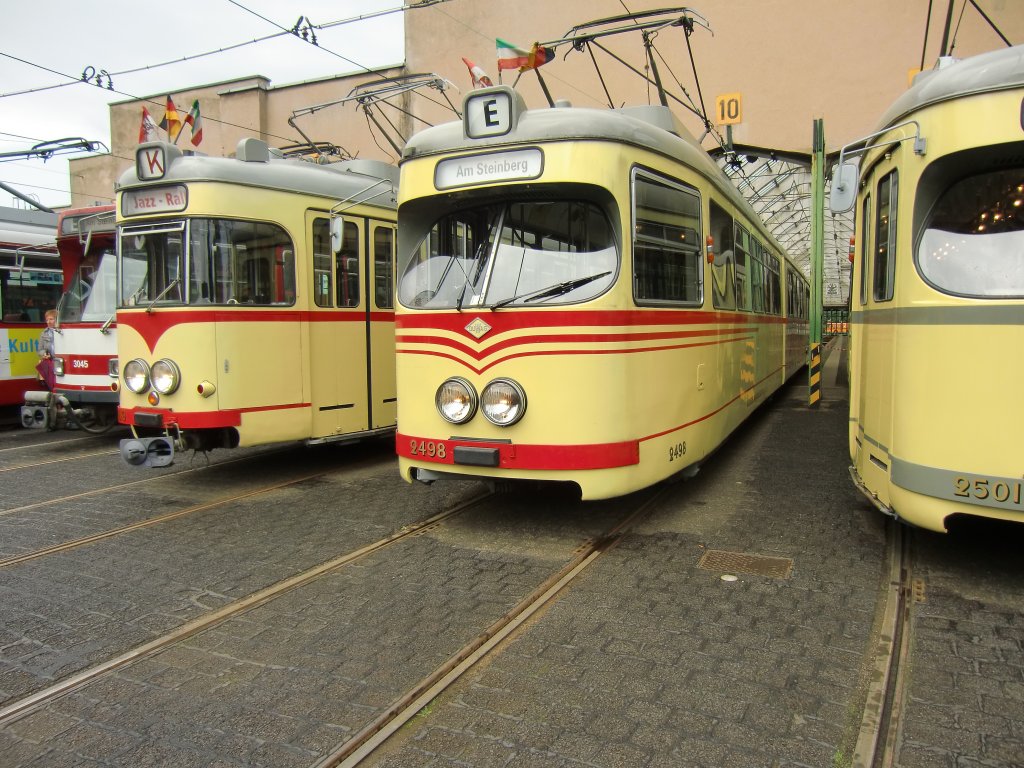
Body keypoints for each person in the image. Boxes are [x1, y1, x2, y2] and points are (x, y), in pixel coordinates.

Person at [35, 309, 57, 391]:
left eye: (51, 319)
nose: (48, 322)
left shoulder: (63, 331)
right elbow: (40, 350)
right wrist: (44, 354)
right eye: (47, 320)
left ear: (57, 319)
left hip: (60, 361)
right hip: (50, 361)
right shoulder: (44, 333)